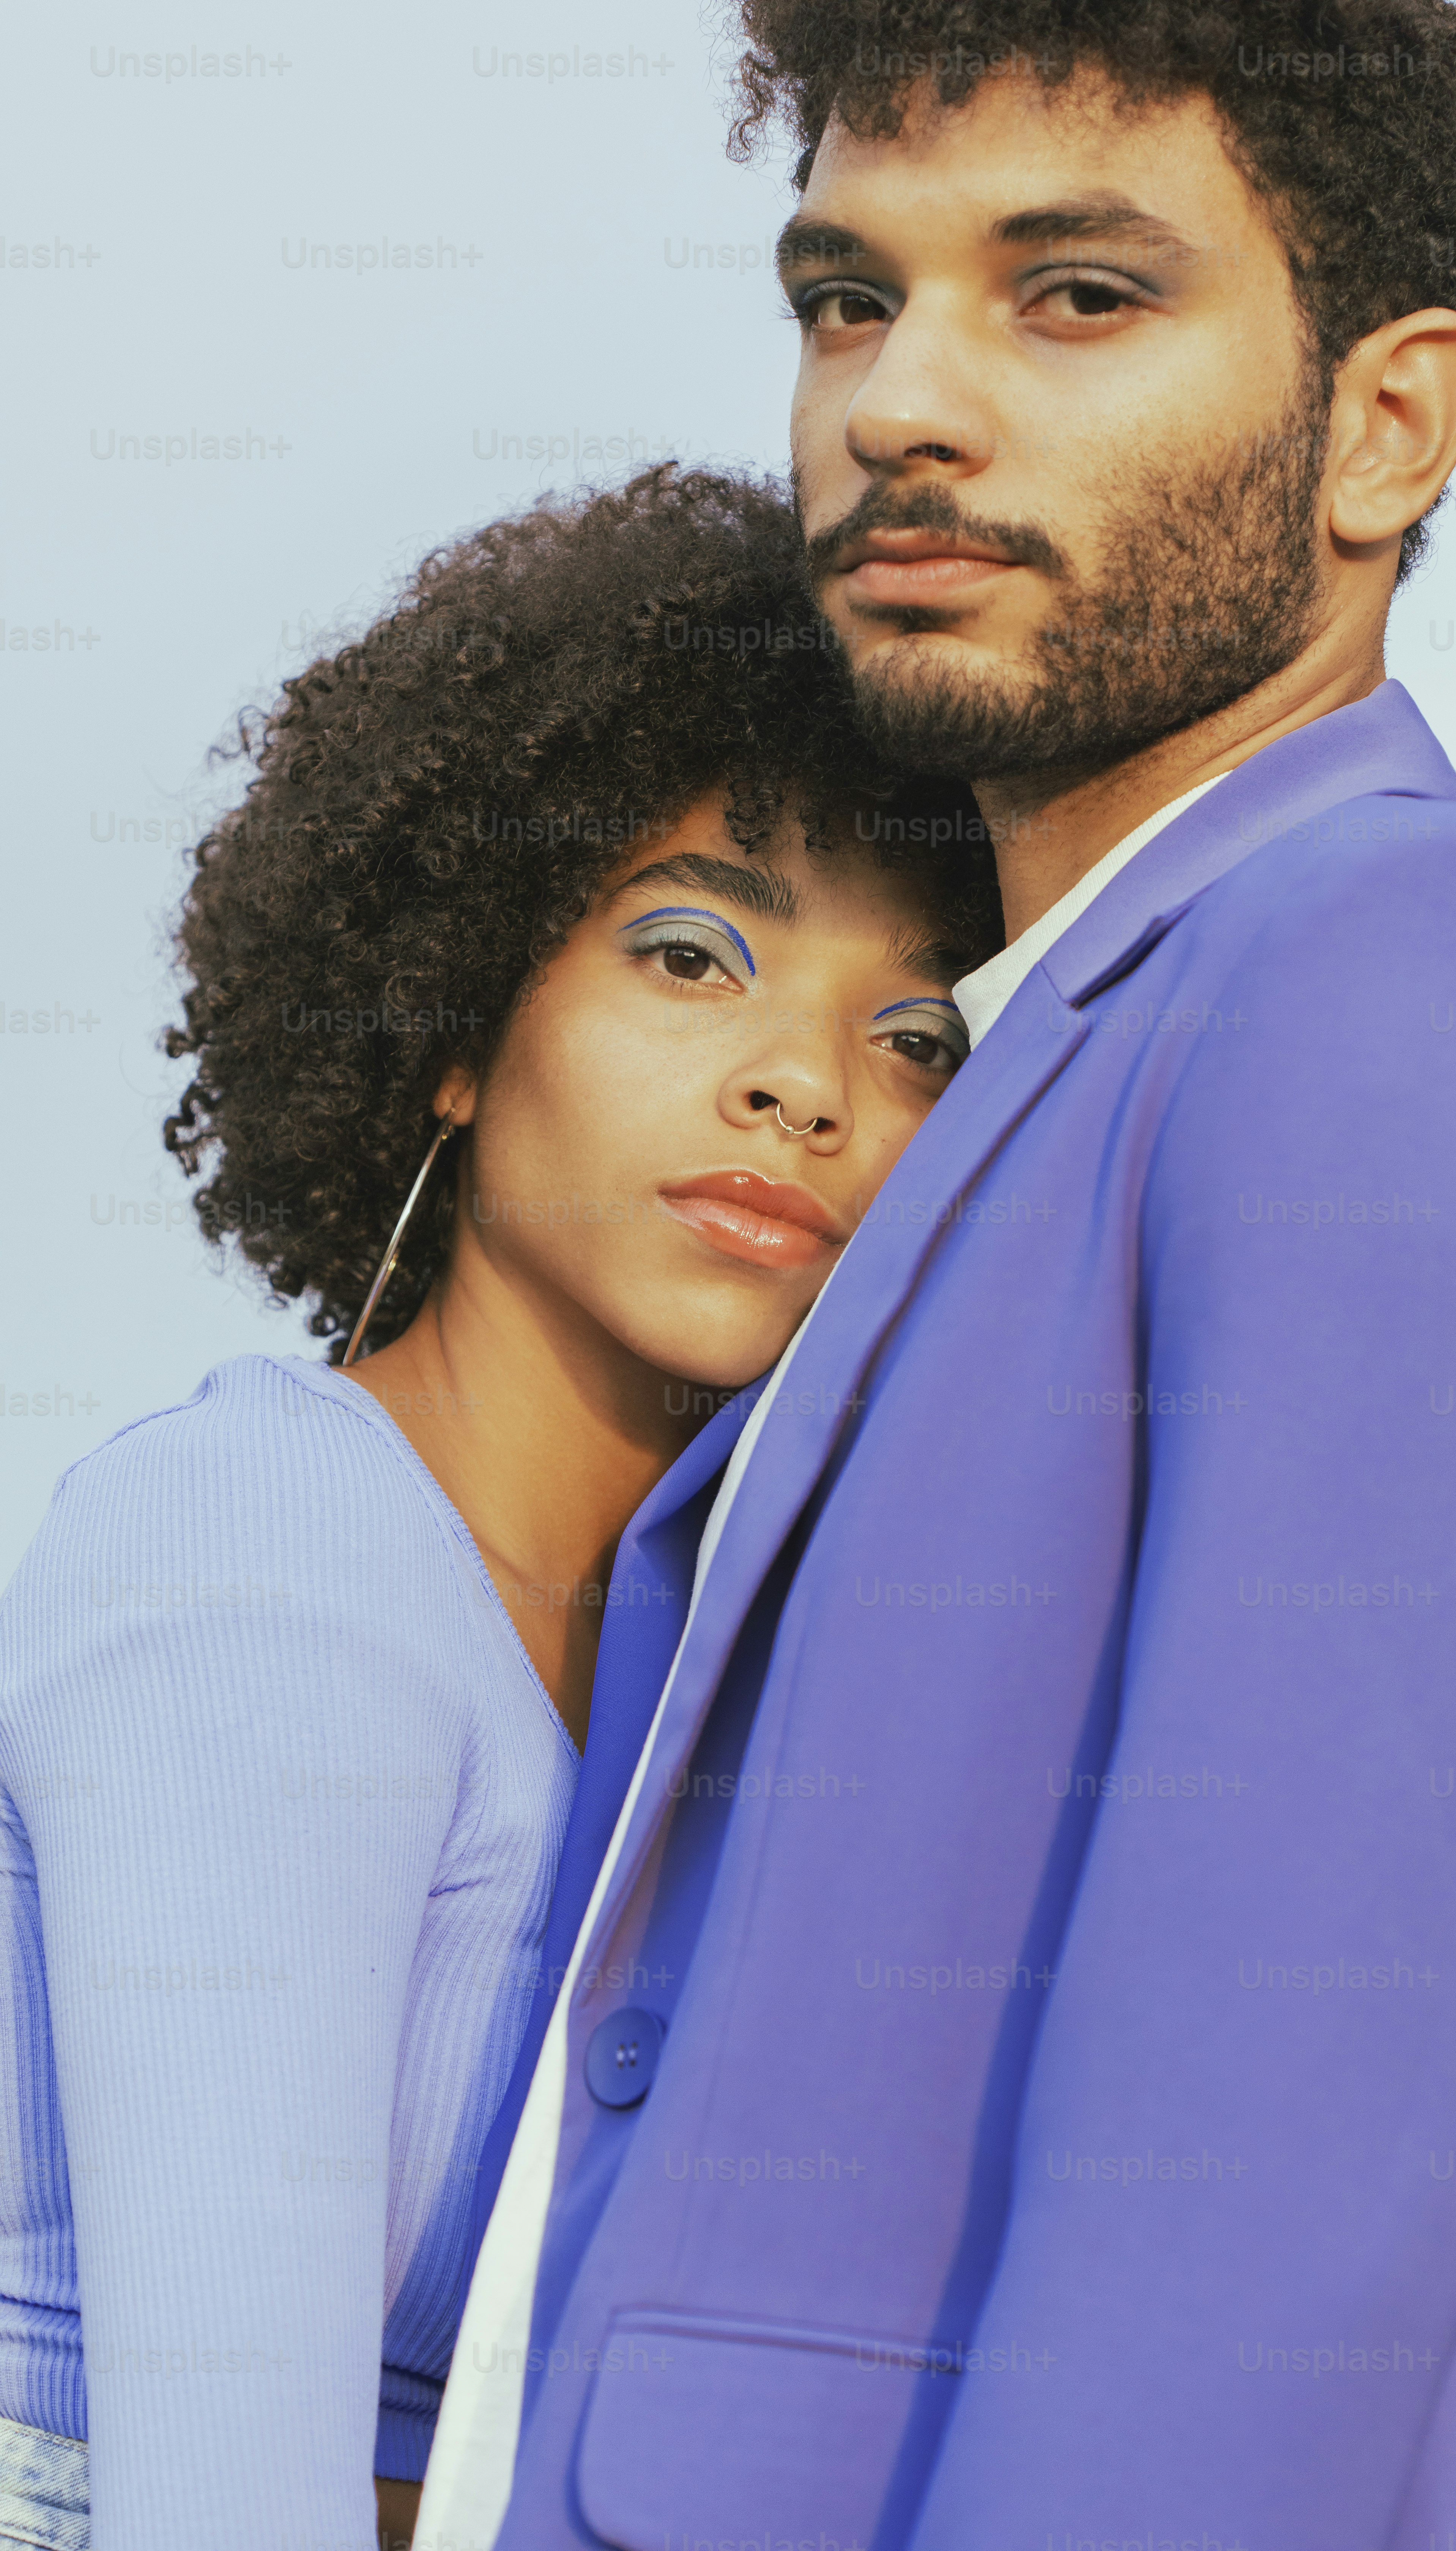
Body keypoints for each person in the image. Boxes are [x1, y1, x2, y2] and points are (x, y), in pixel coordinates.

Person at [419, 11, 1456, 2551]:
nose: (900, 404)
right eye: (844, 300)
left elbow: (1281, 2145)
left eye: (1079, 295)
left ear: (1390, 427)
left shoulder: (1432, 968)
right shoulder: (1043, 1075)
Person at [0, 465, 997, 2551]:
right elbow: (218, 2498)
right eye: (694, 953)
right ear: (459, 1026)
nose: (805, 1085)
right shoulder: (260, 1556)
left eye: (914, 1034)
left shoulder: (730, 1653)